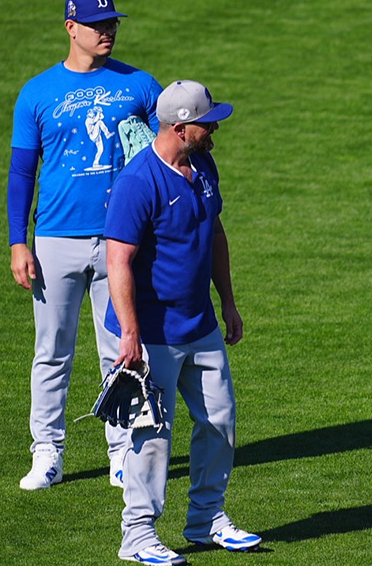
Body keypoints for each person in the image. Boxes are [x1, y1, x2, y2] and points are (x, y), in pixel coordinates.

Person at [8, 0, 162, 490]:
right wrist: (18, 240)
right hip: (54, 239)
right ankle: (46, 452)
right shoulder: (37, 92)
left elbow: (164, 155)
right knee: (52, 350)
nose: (108, 31)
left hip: (123, 243)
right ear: (71, 27)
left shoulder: (141, 86)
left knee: (119, 349)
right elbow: (22, 172)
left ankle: (122, 453)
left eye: (113, 22)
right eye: (98, 24)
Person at [105, 80, 261, 565]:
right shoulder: (139, 182)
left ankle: (206, 519)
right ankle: (137, 535)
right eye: (207, 123)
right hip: (150, 334)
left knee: (220, 421)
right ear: (179, 127)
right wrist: (130, 335)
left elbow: (214, 232)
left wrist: (229, 302)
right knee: (151, 436)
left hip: (201, 324)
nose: (215, 129)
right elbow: (118, 262)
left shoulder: (204, 165)